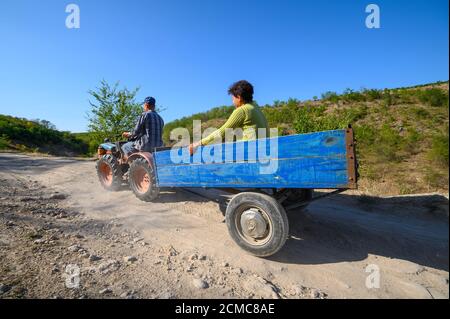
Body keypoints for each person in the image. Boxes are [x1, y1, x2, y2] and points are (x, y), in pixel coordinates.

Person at [189, 80, 269, 155]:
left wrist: (198, 143)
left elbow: (222, 132)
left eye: (233, 99)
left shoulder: (242, 110)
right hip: (263, 152)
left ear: (239, 97)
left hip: (250, 155)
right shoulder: (255, 107)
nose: (232, 102)